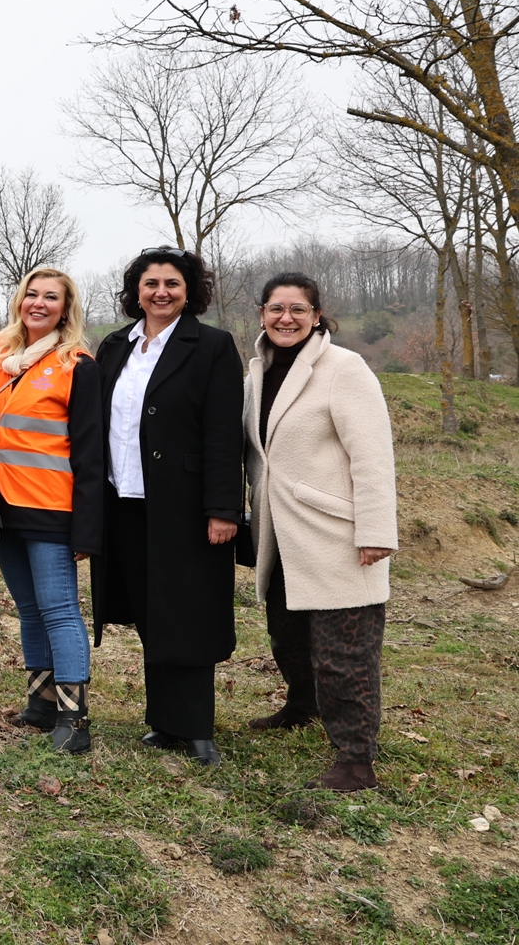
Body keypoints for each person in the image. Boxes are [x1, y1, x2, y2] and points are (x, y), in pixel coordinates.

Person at [243, 272, 397, 792]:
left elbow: (372, 456)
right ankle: (302, 706)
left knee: (344, 654)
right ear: (262, 314)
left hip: (335, 533)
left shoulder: (344, 368)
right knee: (287, 636)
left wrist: (376, 531)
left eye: (298, 310)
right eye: (276, 308)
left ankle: (356, 759)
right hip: (280, 534)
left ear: (316, 315)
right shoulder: (256, 373)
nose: (286, 318)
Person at [93, 248, 244, 768]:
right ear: (136, 291)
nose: (161, 292)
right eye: (151, 283)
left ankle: (196, 727)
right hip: (123, 501)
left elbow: (223, 433)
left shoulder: (212, 346)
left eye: (172, 284)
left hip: (186, 506)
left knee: (189, 612)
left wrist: (223, 508)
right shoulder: (115, 346)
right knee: (149, 612)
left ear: (189, 291)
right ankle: (163, 721)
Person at [0, 267, 104, 754]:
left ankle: (74, 719)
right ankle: (41, 702)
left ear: (66, 308)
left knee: (59, 609)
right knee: (28, 609)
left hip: (51, 507)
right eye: (31, 294)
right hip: (0, 504)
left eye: (51, 297)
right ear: (19, 301)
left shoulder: (77, 366)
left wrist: (87, 528)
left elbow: (91, 453)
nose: (38, 303)